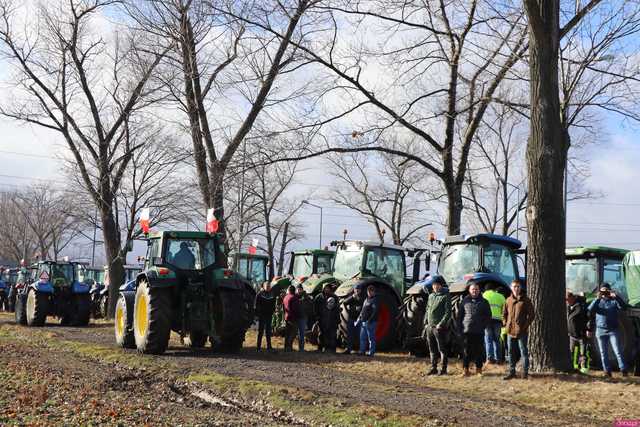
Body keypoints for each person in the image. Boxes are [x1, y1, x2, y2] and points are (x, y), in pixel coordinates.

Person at [587, 283, 628, 377]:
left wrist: (617, 297)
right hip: (600, 330)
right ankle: (607, 371)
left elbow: (624, 308)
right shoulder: (598, 301)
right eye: (603, 291)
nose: (605, 293)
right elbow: (590, 310)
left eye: (606, 291)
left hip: (613, 330)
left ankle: (623, 369)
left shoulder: (614, 301)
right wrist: (597, 298)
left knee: (617, 350)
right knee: (603, 352)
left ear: (609, 291)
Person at [502, 280, 535, 380]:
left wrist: (524, 326)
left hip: (521, 332)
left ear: (520, 288)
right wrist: (505, 323)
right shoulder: (508, 300)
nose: (516, 288)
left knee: (523, 352)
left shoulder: (526, 300)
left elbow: (532, 315)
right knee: (511, 352)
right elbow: (504, 314)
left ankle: (524, 373)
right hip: (510, 331)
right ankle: (512, 372)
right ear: (511, 288)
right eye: (514, 287)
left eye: (518, 287)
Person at [458, 283, 492, 376]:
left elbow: (488, 316)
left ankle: (479, 370)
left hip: (479, 331)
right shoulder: (465, 301)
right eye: (473, 289)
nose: (474, 291)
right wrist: (459, 328)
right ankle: (465, 370)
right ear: (469, 290)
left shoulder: (484, 302)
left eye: (476, 289)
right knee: (466, 351)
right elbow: (460, 316)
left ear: (479, 290)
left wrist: (483, 326)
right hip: (466, 330)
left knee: (479, 351)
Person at [424, 276, 451, 375]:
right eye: (434, 285)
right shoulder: (431, 296)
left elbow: (448, 313)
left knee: (442, 349)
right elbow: (427, 310)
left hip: (439, 328)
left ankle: (443, 369)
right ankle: (433, 367)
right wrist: (426, 322)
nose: (435, 287)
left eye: (437, 285)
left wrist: (441, 324)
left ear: (441, 285)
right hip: (430, 327)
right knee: (432, 349)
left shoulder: (445, 296)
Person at [566, 291, 589, 373]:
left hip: (581, 334)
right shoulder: (568, 307)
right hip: (572, 335)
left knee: (582, 353)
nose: (567, 301)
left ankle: (583, 369)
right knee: (571, 352)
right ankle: (572, 367)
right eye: (566, 300)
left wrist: (588, 330)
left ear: (572, 298)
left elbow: (586, 319)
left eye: (568, 300)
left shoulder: (580, 307)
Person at [483, 283, 506, 363]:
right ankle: (498, 359)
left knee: (488, 340)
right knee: (497, 340)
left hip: (487, 321)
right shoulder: (501, 296)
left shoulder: (484, 295)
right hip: (498, 321)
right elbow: (504, 309)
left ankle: (489, 358)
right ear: (494, 289)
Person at [341, 284, 365, 354]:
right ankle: (348, 349)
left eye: (359, 289)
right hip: (351, 319)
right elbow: (344, 302)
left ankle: (361, 350)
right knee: (350, 335)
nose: (357, 290)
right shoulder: (352, 298)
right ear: (354, 290)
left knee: (360, 335)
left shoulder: (363, 298)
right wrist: (352, 297)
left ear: (360, 290)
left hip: (359, 320)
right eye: (356, 289)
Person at [356, 285, 378, 356]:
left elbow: (375, 312)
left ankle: (371, 352)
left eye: (371, 291)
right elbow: (362, 310)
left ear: (374, 292)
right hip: (363, 322)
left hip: (371, 322)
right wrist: (359, 318)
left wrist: (369, 320)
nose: (369, 293)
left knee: (371, 338)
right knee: (362, 337)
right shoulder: (366, 300)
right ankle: (362, 351)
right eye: (368, 291)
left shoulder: (375, 300)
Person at [255, 281, 276, 352]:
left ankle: (269, 347)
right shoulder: (260, 294)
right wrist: (257, 314)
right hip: (262, 315)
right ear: (263, 286)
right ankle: (258, 347)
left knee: (268, 331)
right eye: (267, 286)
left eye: (269, 286)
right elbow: (256, 305)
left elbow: (273, 305)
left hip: (269, 315)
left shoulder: (272, 294)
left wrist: (272, 311)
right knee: (260, 332)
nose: (268, 287)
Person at [313, 284, 333, 352]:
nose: (327, 289)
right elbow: (315, 308)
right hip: (321, 318)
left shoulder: (333, 297)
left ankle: (328, 348)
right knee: (321, 333)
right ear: (323, 289)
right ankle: (320, 348)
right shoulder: (318, 297)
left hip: (330, 318)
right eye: (325, 288)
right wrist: (316, 317)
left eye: (328, 288)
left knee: (329, 333)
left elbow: (336, 307)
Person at [282, 285, 300, 352]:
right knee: (293, 333)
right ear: (293, 290)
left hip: (287, 317)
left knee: (288, 333)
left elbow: (283, 308)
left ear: (288, 290)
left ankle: (286, 347)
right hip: (293, 318)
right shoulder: (294, 298)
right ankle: (289, 347)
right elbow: (296, 309)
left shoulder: (285, 297)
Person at [296, 284, 313, 352]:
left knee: (301, 333)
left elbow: (309, 305)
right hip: (295, 317)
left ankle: (301, 348)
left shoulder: (306, 297)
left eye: (300, 289)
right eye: (298, 289)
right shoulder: (295, 296)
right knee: (296, 333)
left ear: (302, 289)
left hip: (303, 317)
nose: (299, 290)